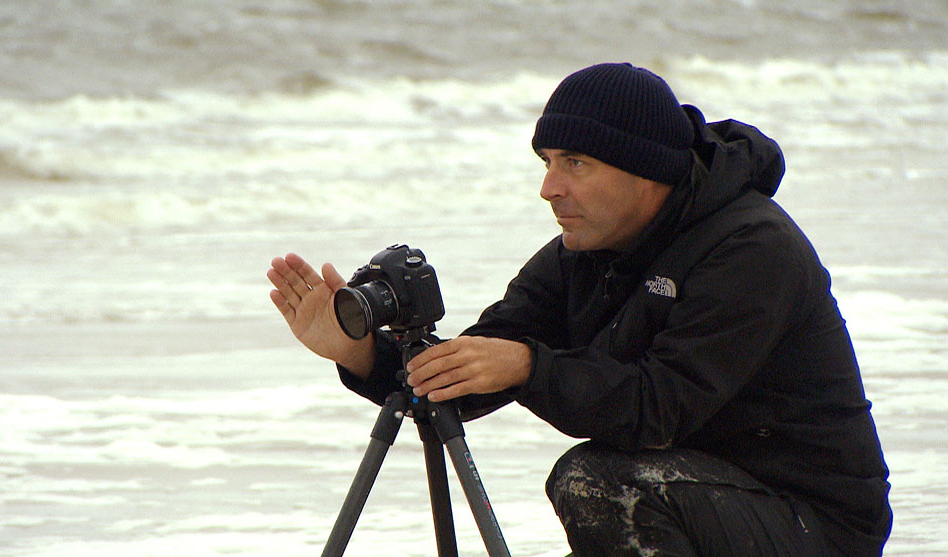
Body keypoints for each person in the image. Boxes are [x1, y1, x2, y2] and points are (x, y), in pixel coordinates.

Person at [268, 63, 892, 556]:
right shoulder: (584, 247)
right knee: (610, 489)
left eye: (576, 164)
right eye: (547, 163)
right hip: (694, 500)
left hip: (813, 523)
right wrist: (357, 352)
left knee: (596, 481)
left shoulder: (752, 248)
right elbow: (481, 364)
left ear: (646, 172)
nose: (549, 188)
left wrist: (527, 367)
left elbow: (657, 409)